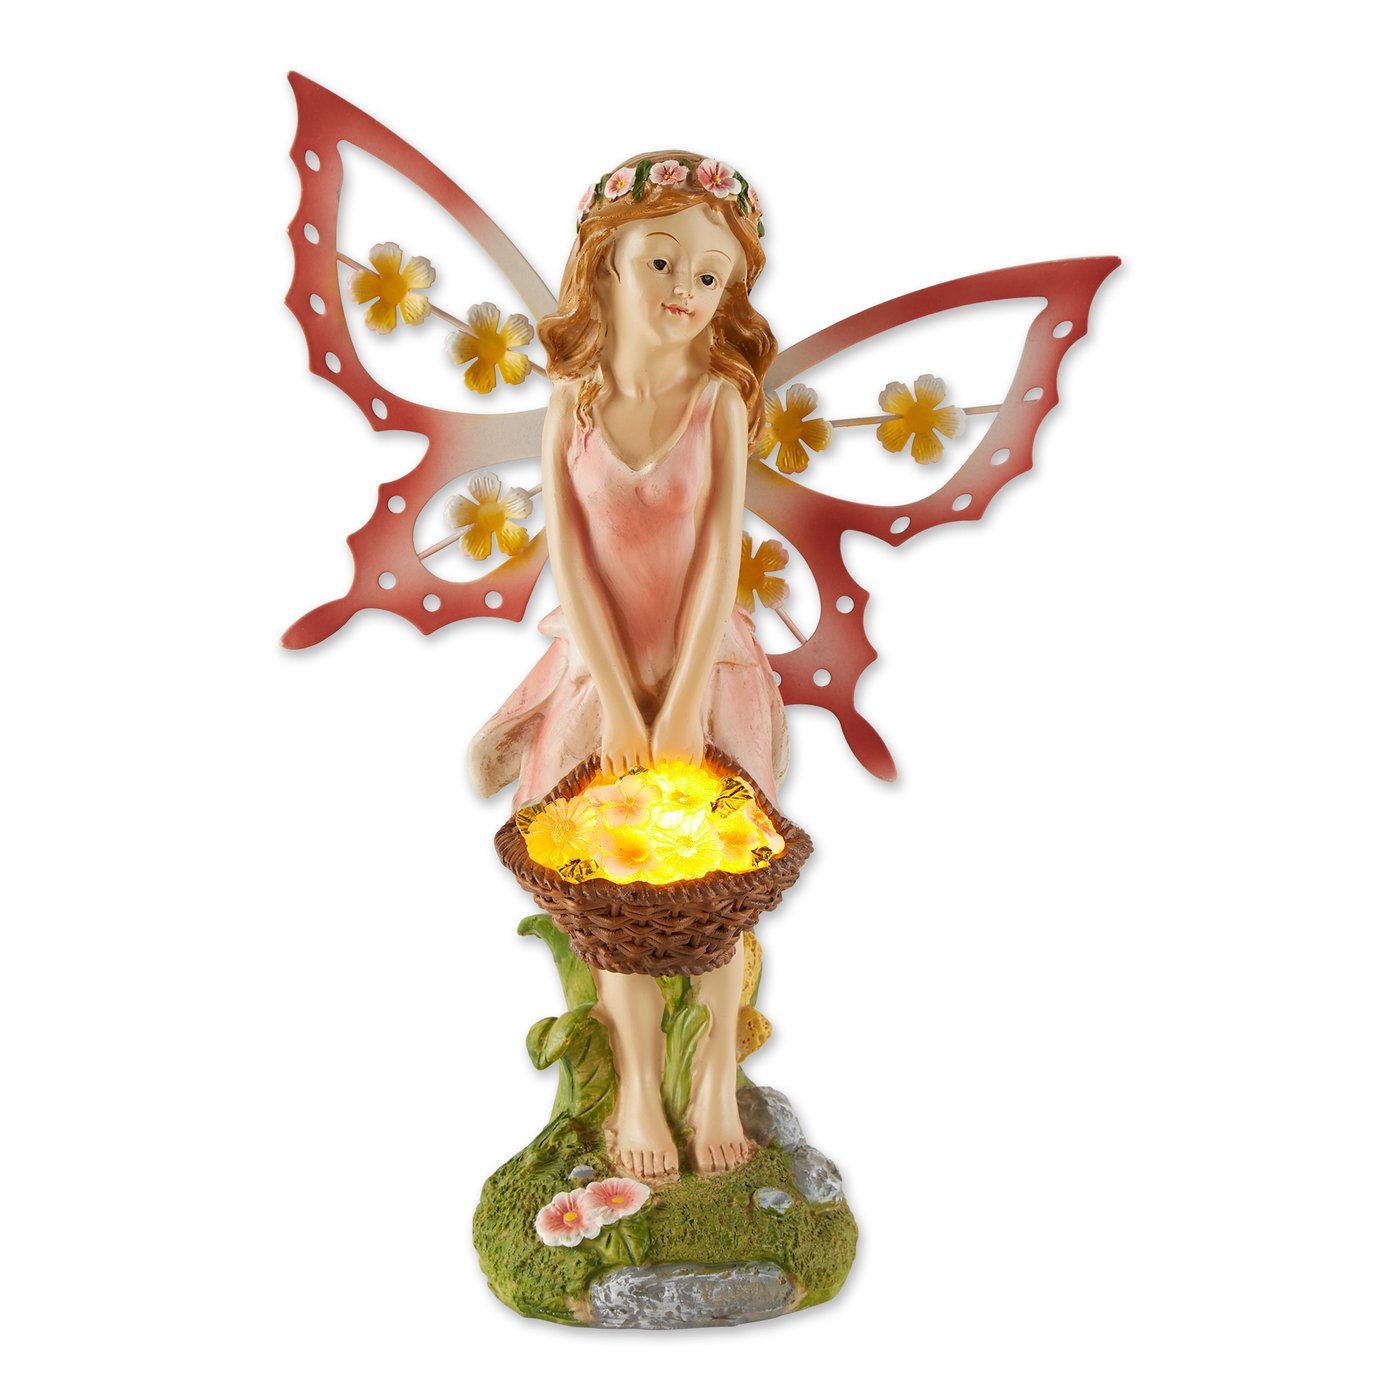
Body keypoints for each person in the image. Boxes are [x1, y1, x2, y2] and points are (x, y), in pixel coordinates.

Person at [468, 153, 787, 1178]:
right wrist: (615, 698)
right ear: (605, 262)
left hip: (704, 662)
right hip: (600, 662)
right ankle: (638, 1091)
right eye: (661, 261)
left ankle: (711, 1082)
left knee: (714, 888)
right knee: (608, 895)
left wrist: (683, 701)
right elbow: (567, 559)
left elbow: (719, 561)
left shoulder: (719, 403)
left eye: (710, 275)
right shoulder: (573, 401)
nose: (685, 289)